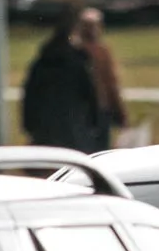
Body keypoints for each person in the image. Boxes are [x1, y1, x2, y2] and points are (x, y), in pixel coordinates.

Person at [23, 10, 107, 152]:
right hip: (75, 128)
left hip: (45, 129)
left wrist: (30, 125)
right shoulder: (78, 62)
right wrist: (96, 122)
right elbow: (90, 94)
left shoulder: (42, 63)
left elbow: (30, 95)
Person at [74, 9, 127, 152]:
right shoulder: (100, 52)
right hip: (98, 109)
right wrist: (120, 113)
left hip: (82, 111)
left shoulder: (73, 50)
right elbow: (111, 83)